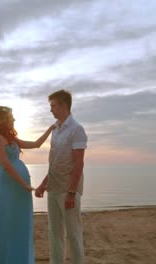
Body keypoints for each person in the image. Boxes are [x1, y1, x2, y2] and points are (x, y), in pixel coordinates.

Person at [0, 106, 55, 264]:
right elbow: (5, 164)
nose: (14, 120)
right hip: (6, 189)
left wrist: (50, 129)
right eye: (12, 117)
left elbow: (37, 144)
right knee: (5, 226)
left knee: (19, 226)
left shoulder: (12, 139)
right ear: (4, 120)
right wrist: (24, 184)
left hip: (19, 191)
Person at [35, 90, 88, 264]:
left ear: (63, 105)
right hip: (53, 189)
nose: (51, 110)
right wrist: (43, 184)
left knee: (73, 234)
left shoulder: (76, 129)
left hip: (68, 191)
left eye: (53, 106)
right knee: (55, 233)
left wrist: (72, 193)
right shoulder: (55, 130)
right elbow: (55, 163)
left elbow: (79, 163)